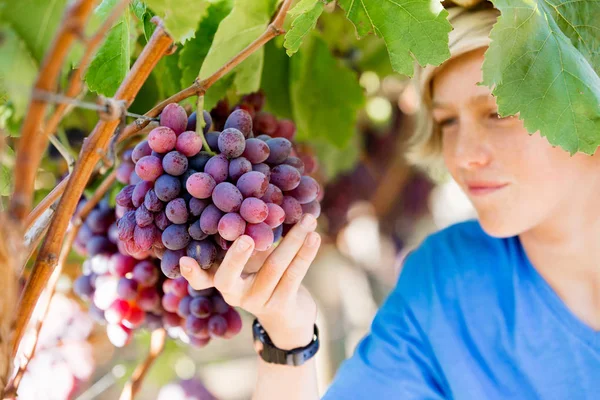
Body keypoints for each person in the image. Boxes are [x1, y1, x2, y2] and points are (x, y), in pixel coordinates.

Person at [180, 6, 600, 400]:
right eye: (446, 122)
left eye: (498, 112)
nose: (461, 154)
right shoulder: (445, 280)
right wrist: (286, 333)